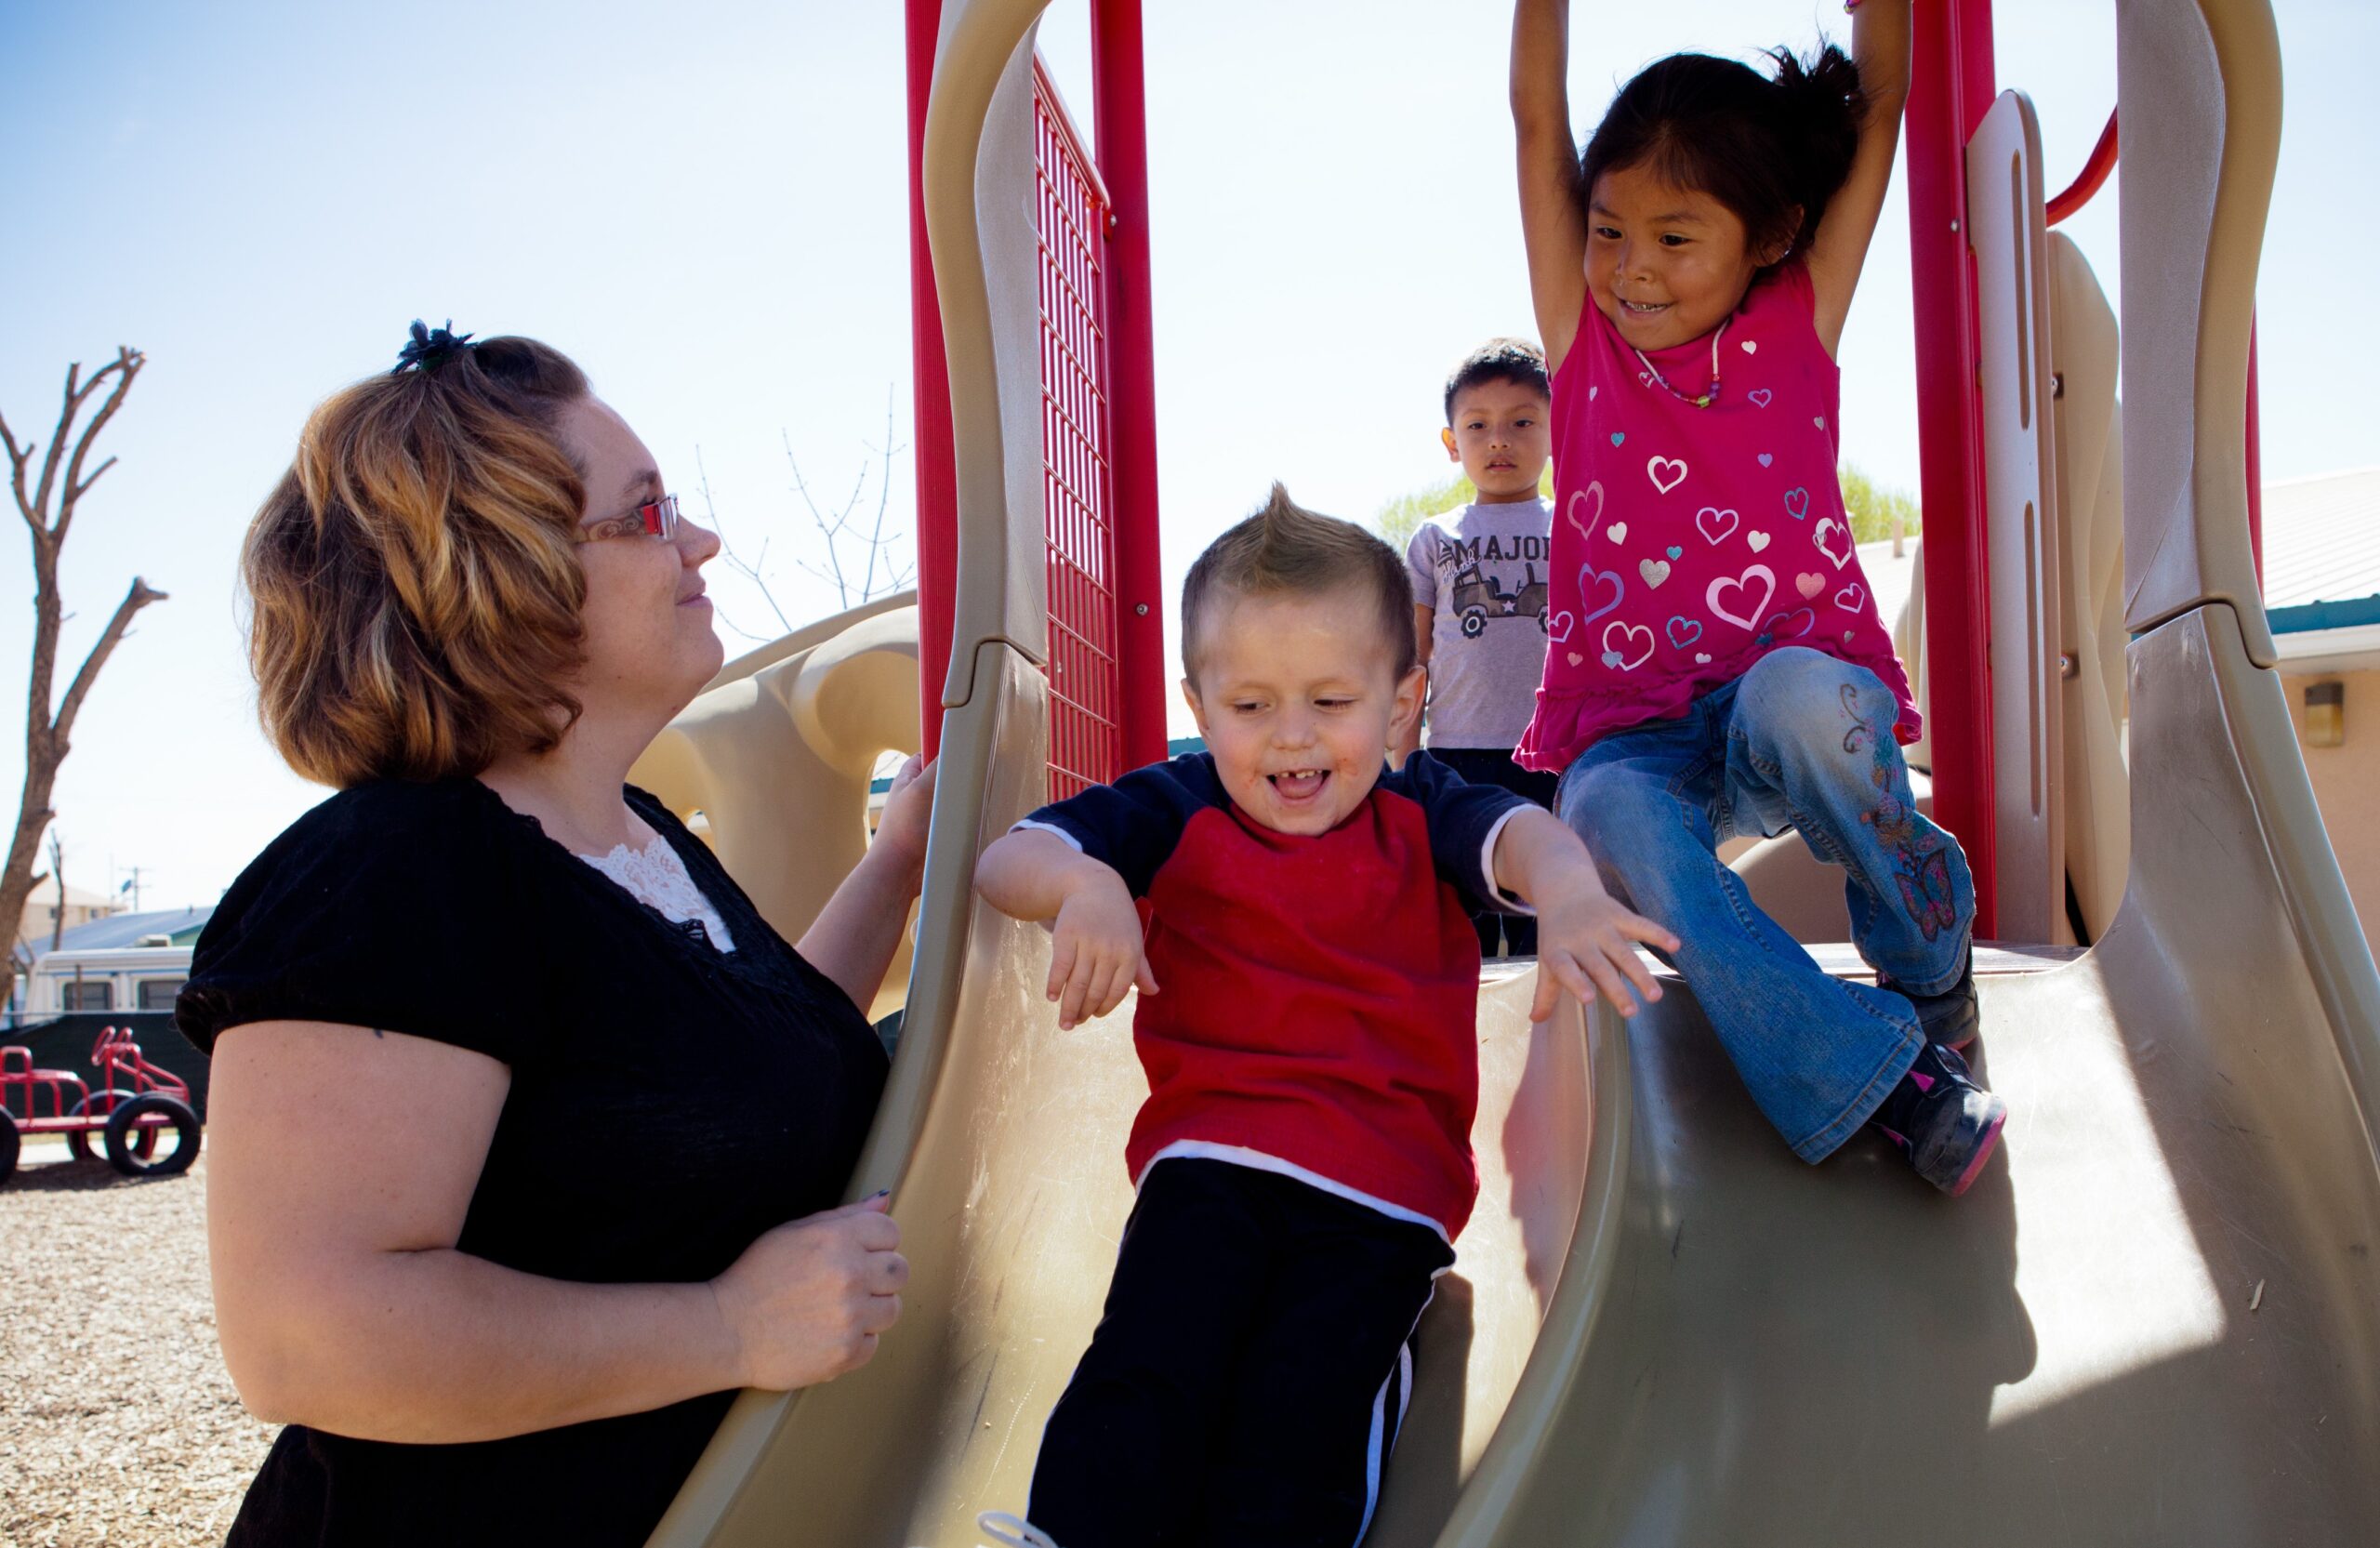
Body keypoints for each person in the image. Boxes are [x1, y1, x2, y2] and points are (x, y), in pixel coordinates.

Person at [183, 323, 925, 1546]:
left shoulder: (625, 835)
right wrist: (730, 1328)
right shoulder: (393, 874)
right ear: (503, 571)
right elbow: (310, 1335)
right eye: (645, 517)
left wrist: (899, 860)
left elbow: (747, 1066)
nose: (699, 541)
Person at [970, 486, 1676, 1548]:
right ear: (1201, 708)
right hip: (1206, 1164)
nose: (1290, 739)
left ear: (1399, 707)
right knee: (1149, 1363)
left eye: (1329, 703)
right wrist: (1086, 889)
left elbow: (1524, 836)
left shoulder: (1420, 809)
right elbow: (1006, 858)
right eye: (1250, 706)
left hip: (1378, 1193)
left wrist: (1569, 895)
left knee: (1297, 1416)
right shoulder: (1175, 806)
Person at [1508, 0, 2003, 1196]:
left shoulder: (1797, 320)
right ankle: (1877, 1079)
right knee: (1610, 821)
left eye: (1675, 238)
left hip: (1779, 699)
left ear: (1770, 236)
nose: (1630, 267)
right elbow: (1534, 117)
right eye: (1611, 228)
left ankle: (1926, 967)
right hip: (1631, 735)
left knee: (1802, 703)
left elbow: (1878, 107)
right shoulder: (1580, 341)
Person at [1398, 337, 1560, 958]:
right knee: (1454, 927)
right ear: (1451, 442)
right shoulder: (1434, 540)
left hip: (1553, 754)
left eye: (1522, 422)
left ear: (1554, 429)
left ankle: (1544, 1046)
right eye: (1478, 425)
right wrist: (1405, 765)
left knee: (1539, 924)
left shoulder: (1575, 526)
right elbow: (1413, 663)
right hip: (1456, 757)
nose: (1499, 440)